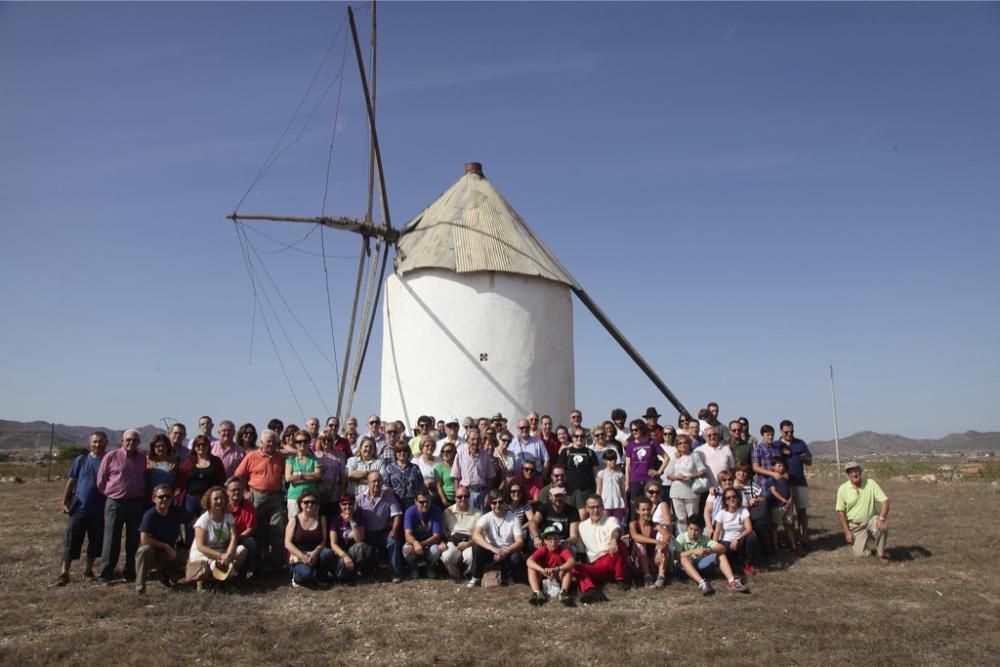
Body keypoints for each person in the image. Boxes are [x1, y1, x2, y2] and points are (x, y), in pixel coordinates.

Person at [55, 431, 107, 586]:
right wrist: (64, 500)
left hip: (100, 508)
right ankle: (64, 572)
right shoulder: (81, 459)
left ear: (106, 443)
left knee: (96, 542)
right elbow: (72, 480)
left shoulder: (109, 460)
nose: (98, 444)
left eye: (101, 441)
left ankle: (88, 570)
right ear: (90, 443)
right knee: (71, 540)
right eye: (95, 441)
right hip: (79, 507)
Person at [96, 429, 148, 584]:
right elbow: (101, 481)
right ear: (122, 441)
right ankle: (106, 573)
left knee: (133, 540)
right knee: (111, 539)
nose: (131, 442)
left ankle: (130, 572)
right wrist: (112, 493)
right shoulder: (111, 456)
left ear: (139, 443)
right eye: (128, 440)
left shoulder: (143, 459)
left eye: (135, 440)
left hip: (136, 504)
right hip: (115, 503)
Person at [234, 429, 286, 575]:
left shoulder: (280, 457)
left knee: (277, 529)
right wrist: (245, 492)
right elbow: (238, 475)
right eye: (268, 441)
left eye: (274, 441)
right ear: (262, 443)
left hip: (275, 496)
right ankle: (257, 565)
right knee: (256, 531)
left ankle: (277, 565)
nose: (271, 444)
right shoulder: (252, 456)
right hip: (257, 496)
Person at [187, 485, 248, 591]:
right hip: (204, 553)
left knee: (242, 550)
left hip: (222, 551)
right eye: (216, 499)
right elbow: (201, 546)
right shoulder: (203, 520)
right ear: (209, 501)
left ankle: (226, 578)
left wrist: (228, 554)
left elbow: (234, 537)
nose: (219, 501)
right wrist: (220, 556)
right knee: (216, 565)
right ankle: (204, 581)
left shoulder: (228, 516)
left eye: (222, 498)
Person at [135, 484, 190, 594]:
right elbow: (144, 539)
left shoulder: (176, 511)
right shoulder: (149, 515)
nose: (165, 499)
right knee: (143, 550)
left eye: (168, 497)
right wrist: (165, 546)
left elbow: (196, 522)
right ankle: (140, 587)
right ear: (154, 499)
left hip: (172, 553)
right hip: (154, 554)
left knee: (194, 556)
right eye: (161, 497)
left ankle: (169, 574)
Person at [575, 495, 629, 603]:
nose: (595, 510)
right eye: (592, 507)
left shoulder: (611, 520)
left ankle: (620, 579)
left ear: (602, 507)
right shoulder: (582, 526)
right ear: (586, 509)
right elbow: (581, 549)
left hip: (611, 558)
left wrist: (614, 539)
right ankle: (591, 590)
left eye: (598, 507)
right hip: (596, 565)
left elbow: (617, 530)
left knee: (620, 543)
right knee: (576, 567)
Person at [671, 519, 747, 595]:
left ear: (701, 530)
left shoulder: (704, 538)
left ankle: (732, 581)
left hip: (699, 565)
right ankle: (703, 583)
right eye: (691, 529)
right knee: (683, 559)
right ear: (687, 528)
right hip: (684, 568)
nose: (693, 533)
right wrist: (693, 551)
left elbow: (722, 548)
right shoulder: (681, 537)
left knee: (720, 554)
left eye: (696, 530)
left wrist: (709, 550)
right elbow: (676, 555)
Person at [836, 461, 890, 564]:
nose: (854, 474)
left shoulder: (871, 483)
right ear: (848, 475)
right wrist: (847, 531)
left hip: (871, 520)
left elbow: (885, 501)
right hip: (855, 525)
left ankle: (881, 554)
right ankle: (870, 549)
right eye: (851, 472)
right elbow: (840, 512)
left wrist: (881, 519)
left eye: (856, 470)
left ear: (860, 471)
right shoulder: (842, 489)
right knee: (860, 555)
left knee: (882, 528)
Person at [468, 489, 525, 588]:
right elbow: (476, 535)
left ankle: (509, 577)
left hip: (507, 551)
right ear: (490, 504)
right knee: (476, 546)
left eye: (500, 502)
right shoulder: (486, 517)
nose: (497, 505)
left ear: (505, 503)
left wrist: (505, 551)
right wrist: (493, 549)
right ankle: (476, 577)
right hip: (491, 552)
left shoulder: (513, 518)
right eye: (494, 502)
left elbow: (520, 542)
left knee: (516, 557)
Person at [354, 471, 403, 582]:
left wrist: (394, 529)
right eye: (373, 481)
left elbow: (397, 515)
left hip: (383, 533)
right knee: (360, 547)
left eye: (379, 481)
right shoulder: (359, 499)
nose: (376, 484)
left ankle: (395, 573)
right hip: (366, 534)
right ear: (368, 483)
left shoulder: (389, 497)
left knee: (393, 541)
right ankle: (362, 572)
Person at [176, 435, 226, 539]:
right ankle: (191, 549)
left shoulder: (216, 461)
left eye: (204, 445)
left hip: (210, 499)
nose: (201, 447)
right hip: (191, 499)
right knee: (191, 525)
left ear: (208, 446)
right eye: (198, 445)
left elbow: (222, 480)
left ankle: (207, 550)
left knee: (208, 524)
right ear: (194, 447)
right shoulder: (188, 462)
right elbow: (181, 481)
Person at [283, 489, 333, 588]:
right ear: (300, 504)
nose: (310, 504)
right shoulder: (294, 520)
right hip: (298, 556)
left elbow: (323, 540)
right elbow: (287, 543)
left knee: (327, 553)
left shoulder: (322, 519)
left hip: (315, 554)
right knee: (306, 575)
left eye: (313, 502)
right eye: (306, 502)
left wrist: (314, 553)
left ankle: (321, 577)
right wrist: (303, 557)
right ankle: (297, 577)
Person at [778, 420, 813, 546]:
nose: (789, 434)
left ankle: (804, 537)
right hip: (785, 485)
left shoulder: (800, 443)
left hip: (800, 482)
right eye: (786, 432)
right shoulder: (777, 445)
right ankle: (791, 539)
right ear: (781, 431)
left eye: (791, 432)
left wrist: (805, 458)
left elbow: (810, 462)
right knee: (789, 514)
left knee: (802, 512)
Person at [666, 433, 707, 534]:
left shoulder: (695, 456)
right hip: (676, 490)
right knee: (680, 518)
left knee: (692, 517)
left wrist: (692, 476)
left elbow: (702, 470)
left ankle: (694, 538)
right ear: (677, 445)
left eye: (685, 442)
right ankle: (682, 539)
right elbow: (668, 474)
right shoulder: (674, 458)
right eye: (680, 443)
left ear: (689, 444)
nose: (683, 445)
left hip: (692, 490)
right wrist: (677, 477)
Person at [527, 526, 577, 607]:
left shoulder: (562, 549)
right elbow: (529, 561)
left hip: (557, 577)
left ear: (559, 540)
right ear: (545, 541)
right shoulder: (543, 549)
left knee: (568, 569)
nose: (553, 542)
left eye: (556, 539)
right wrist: (542, 570)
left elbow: (572, 561)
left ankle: (563, 592)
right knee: (531, 568)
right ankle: (537, 593)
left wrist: (557, 569)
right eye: (550, 539)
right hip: (544, 577)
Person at [402, 489, 445, 579]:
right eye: (422, 502)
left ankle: (430, 568)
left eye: (427, 501)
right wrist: (415, 543)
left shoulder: (436, 511)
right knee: (406, 549)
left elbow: (437, 537)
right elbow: (408, 534)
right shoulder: (410, 512)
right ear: (416, 502)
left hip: (430, 543)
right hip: (414, 543)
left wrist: (420, 544)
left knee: (436, 550)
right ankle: (414, 569)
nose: (425, 504)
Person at [441, 487, 481, 581]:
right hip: (452, 540)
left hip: (470, 541)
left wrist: (468, 543)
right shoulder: (447, 512)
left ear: (469, 497)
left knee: (472, 556)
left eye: (466, 496)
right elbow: (443, 531)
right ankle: (455, 575)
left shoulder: (477, 513)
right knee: (447, 555)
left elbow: (479, 535)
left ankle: (467, 574)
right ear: (455, 498)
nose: (463, 499)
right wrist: (442, 542)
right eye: (459, 497)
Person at [629, 496, 668, 588]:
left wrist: (659, 549)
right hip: (637, 562)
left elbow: (667, 535)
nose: (646, 512)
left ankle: (661, 576)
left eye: (648, 509)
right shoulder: (633, 524)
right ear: (638, 511)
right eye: (643, 510)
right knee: (639, 545)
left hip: (653, 559)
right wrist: (656, 542)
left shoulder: (655, 525)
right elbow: (635, 537)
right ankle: (647, 576)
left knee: (664, 542)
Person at [557, 427, 599, 513]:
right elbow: (559, 472)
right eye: (576, 436)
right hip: (570, 491)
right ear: (572, 438)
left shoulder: (590, 452)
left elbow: (596, 473)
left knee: (587, 515)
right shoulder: (566, 452)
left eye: (582, 436)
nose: (579, 438)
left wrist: (598, 490)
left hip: (587, 490)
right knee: (570, 515)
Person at [450, 430, 495, 510]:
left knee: (481, 520)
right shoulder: (460, 454)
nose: (476, 442)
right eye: (473, 439)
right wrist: (458, 496)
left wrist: (488, 494)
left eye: (478, 439)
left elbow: (490, 477)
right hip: (466, 494)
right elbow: (456, 477)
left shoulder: (485, 455)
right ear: (467, 440)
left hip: (482, 493)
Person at [712, 489, 754, 573]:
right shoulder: (721, 513)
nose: (732, 499)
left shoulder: (743, 511)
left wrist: (737, 539)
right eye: (728, 498)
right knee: (722, 552)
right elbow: (717, 532)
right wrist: (713, 548)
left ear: (738, 498)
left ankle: (747, 564)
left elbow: (749, 529)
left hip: (740, 541)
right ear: (726, 501)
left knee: (752, 538)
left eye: (734, 496)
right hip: (725, 542)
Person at [530, 485, 580, 555]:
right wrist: (536, 537)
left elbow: (574, 536)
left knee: (572, 550)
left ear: (565, 496)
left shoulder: (572, 511)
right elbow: (533, 522)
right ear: (550, 497)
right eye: (556, 496)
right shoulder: (543, 508)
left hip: (563, 541)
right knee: (534, 543)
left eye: (561, 495)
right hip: (545, 540)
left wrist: (566, 542)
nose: (558, 498)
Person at [328, 495, 366, 582]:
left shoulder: (358, 517)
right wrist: (345, 556)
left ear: (354, 504)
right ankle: (341, 574)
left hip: (353, 551)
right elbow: (333, 544)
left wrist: (352, 521)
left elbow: (359, 540)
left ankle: (355, 571)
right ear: (340, 505)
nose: (347, 506)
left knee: (362, 546)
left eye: (350, 504)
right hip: (340, 552)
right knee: (342, 576)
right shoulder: (335, 519)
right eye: (344, 504)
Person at [624, 420, 663, 505]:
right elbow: (628, 467)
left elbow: (667, 458)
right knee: (635, 506)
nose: (634, 432)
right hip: (634, 480)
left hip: (649, 480)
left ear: (642, 429)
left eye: (636, 429)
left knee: (650, 504)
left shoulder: (652, 442)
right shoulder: (630, 445)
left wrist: (659, 471)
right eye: (632, 430)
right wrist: (627, 484)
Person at [225, 476, 257, 576]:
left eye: (239, 490)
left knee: (251, 542)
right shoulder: (222, 505)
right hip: (222, 538)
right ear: (227, 491)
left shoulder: (248, 506)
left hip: (240, 537)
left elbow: (251, 528)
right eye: (233, 490)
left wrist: (238, 538)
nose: (236, 492)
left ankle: (242, 573)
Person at [767, 457, 799, 554]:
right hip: (777, 505)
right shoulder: (772, 479)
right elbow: (773, 491)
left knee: (788, 525)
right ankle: (775, 547)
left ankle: (793, 545)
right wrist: (783, 500)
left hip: (788, 506)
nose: (781, 468)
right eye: (779, 466)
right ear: (773, 467)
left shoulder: (786, 478)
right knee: (775, 526)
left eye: (782, 466)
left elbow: (790, 490)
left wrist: (790, 500)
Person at [285, 432, 321, 519]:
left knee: (312, 524)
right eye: (299, 441)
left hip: (312, 498)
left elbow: (318, 475)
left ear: (309, 442)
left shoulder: (315, 459)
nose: (302, 443)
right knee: (294, 524)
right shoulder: (291, 459)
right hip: (294, 497)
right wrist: (310, 477)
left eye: (305, 441)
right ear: (295, 443)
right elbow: (288, 478)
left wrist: (299, 475)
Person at [314, 430, 346, 518]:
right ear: (320, 441)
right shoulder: (315, 456)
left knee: (333, 519)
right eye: (323, 439)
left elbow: (343, 476)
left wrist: (342, 493)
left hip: (334, 493)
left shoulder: (338, 456)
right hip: (319, 492)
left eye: (329, 439)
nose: (326, 442)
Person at [385, 445, 425, 510]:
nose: (402, 453)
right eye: (399, 451)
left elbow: (421, 485)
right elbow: (386, 485)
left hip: (413, 504)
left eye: (405, 451)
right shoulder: (389, 468)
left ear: (408, 453)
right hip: (395, 503)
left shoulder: (415, 468)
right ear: (395, 453)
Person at [595, 449, 626, 523]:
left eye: (614, 459)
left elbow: (622, 491)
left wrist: (625, 505)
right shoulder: (601, 474)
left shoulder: (619, 474)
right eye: (610, 460)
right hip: (605, 504)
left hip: (618, 504)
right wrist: (597, 504)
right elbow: (599, 490)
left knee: (617, 525)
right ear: (605, 460)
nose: (613, 461)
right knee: (605, 524)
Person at [434, 443, 458, 507]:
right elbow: (438, 486)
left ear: (454, 453)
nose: (445, 453)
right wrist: (444, 500)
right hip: (446, 499)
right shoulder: (439, 467)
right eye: (443, 451)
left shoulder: (458, 465)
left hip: (459, 498)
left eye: (448, 451)